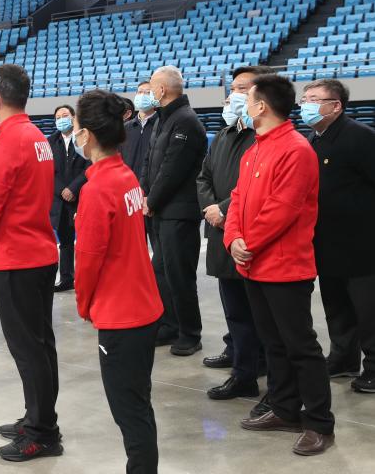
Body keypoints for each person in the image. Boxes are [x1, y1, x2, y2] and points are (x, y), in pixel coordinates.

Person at [225, 74, 335, 456]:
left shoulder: (295, 149)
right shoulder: (254, 149)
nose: (241, 103)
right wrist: (232, 238)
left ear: (261, 106)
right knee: (273, 344)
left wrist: (248, 243)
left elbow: (283, 209)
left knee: (300, 346)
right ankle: (285, 408)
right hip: (253, 265)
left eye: (247, 98)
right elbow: (237, 198)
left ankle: (319, 422)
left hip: (285, 267)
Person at [0, 64, 62, 462]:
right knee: (41, 344)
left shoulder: (4, 144)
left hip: (15, 257)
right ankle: (39, 417)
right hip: (39, 251)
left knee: (27, 348)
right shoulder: (37, 137)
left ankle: (42, 433)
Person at [73, 90, 164, 474]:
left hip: (121, 315)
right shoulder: (124, 175)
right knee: (138, 403)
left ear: (87, 135)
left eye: (76, 127)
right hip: (143, 305)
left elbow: (88, 259)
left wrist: (84, 304)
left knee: (129, 411)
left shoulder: (97, 189)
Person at [196, 66, 270, 404]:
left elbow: (255, 185)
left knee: (256, 312)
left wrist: (224, 209)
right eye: (233, 88)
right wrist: (211, 208)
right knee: (236, 310)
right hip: (220, 232)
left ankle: (249, 369)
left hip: (247, 234)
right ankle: (243, 366)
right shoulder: (225, 134)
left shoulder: (262, 137)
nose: (233, 95)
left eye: (241, 89)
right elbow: (203, 177)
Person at [301, 79, 375, 394]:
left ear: (336, 106)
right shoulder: (312, 139)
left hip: (361, 242)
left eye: (314, 99)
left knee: (368, 311)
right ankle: (343, 358)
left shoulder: (360, 137)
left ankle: (373, 367)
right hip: (326, 241)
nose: (306, 104)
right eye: (305, 98)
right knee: (336, 306)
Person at [141, 66, 206, 355]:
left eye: (152, 87)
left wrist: (151, 201)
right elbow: (149, 161)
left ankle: (190, 333)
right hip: (160, 210)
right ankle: (169, 325)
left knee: (180, 276)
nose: (148, 92)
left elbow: (172, 170)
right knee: (161, 273)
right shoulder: (162, 119)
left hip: (179, 212)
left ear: (162, 90)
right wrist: (145, 194)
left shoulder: (186, 121)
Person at [48, 104, 89, 293]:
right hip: (60, 200)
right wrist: (62, 190)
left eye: (65, 115)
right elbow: (47, 170)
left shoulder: (84, 138)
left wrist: (73, 188)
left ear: (73, 117)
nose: (61, 120)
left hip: (80, 196)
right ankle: (66, 277)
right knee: (65, 241)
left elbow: (89, 165)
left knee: (86, 241)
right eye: (58, 117)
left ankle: (86, 277)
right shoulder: (50, 141)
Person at [122, 81, 157, 179]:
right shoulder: (126, 128)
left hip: (150, 184)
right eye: (140, 92)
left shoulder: (162, 125)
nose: (142, 96)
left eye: (148, 93)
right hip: (128, 183)